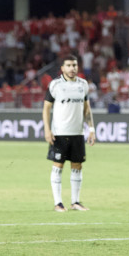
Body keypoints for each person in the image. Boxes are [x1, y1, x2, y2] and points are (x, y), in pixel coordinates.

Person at [42, 54, 96, 212]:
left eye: (74, 65)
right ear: (62, 68)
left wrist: (91, 129)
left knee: (77, 166)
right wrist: (47, 129)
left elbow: (87, 109)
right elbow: (46, 108)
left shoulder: (83, 85)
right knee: (58, 166)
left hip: (78, 133)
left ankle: (75, 202)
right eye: (69, 65)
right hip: (60, 133)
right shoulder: (55, 85)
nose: (72, 68)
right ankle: (58, 203)